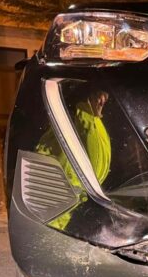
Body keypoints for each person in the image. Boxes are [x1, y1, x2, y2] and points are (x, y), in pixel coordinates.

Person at [35, 88, 111, 230]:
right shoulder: (86, 126)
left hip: (64, 202)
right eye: (100, 98)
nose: (103, 101)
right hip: (60, 203)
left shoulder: (90, 126)